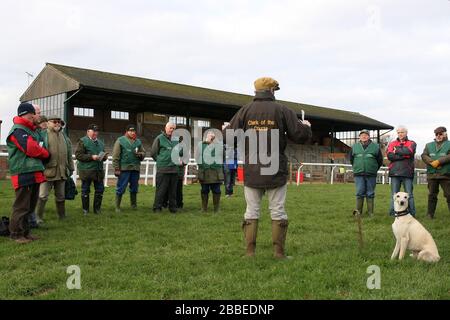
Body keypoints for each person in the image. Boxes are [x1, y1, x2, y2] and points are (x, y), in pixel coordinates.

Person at [225, 77, 312, 258]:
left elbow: (229, 138)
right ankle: (279, 253)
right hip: (275, 169)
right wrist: (307, 127)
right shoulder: (282, 110)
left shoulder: (245, 110)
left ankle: (250, 253)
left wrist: (226, 129)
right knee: (278, 210)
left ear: (256, 91)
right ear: (272, 91)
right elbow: (299, 135)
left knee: (251, 210)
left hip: (253, 169)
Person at [6, 102, 49, 243]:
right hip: (23, 172)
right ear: (28, 114)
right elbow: (31, 148)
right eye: (35, 114)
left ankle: (25, 232)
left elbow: (35, 147)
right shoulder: (19, 130)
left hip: (33, 171)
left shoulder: (30, 130)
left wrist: (40, 151)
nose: (37, 116)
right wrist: (45, 153)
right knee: (21, 206)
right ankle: (16, 234)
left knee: (30, 206)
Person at [34, 115, 75, 222]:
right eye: (54, 121)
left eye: (59, 122)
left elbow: (69, 154)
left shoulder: (65, 137)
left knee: (61, 196)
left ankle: (62, 216)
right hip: (46, 172)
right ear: (48, 123)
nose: (57, 123)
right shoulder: (42, 135)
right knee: (42, 196)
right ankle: (38, 217)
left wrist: (71, 168)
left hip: (62, 172)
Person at [75, 124, 108, 215]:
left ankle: (97, 209)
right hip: (87, 171)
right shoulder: (82, 141)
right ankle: (85, 210)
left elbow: (103, 154)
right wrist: (91, 157)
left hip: (98, 170)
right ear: (88, 131)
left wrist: (104, 157)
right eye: (93, 131)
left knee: (100, 190)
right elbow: (78, 155)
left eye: (97, 131)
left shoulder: (101, 143)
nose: (95, 133)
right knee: (85, 189)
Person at [112, 124, 145, 213]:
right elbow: (115, 156)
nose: (132, 132)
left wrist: (141, 154)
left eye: (133, 131)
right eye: (130, 131)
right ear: (126, 131)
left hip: (135, 168)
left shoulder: (138, 141)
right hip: (124, 168)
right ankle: (117, 206)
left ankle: (133, 205)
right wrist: (116, 168)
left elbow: (143, 152)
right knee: (121, 187)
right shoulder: (120, 140)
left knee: (134, 187)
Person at [350, 129, 383, 217]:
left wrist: (373, 168)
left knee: (370, 193)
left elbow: (380, 161)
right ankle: (358, 212)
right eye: (362, 135)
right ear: (359, 137)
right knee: (359, 192)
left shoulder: (376, 146)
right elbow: (351, 160)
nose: (364, 136)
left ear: (369, 136)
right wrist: (357, 167)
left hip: (371, 174)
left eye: (366, 135)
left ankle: (370, 213)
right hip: (359, 174)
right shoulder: (354, 146)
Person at [150, 122, 182, 213]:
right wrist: (161, 161)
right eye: (170, 128)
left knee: (173, 191)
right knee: (161, 190)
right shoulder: (159, 138)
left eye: (174, 128)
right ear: (165, 128)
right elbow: (153, 153)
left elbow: (181, 152)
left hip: (174, 170)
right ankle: (157, 208)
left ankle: (173, 208)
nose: (172, 130)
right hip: (163, 169)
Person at [387, 126, 417, 216]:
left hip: (407, 172)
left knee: (409, 195)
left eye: (402, 132)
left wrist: (397, 151)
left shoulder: (412, 143)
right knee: (394, 194)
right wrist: (403, 155)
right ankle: (393, 213)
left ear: (406, 133)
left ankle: (412, 213)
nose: (400, 134)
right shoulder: (392, 143)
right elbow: (390, 155)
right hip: (394, 172)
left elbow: (409, 151)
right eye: (399, 132)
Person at [421, 126, 450, 219]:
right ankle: (430, 215)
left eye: (440, 134)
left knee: (449, 195)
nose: (438, 136)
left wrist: (439, 161)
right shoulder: (428, 145)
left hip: (445, 175)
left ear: (445, 134)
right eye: (437, 134)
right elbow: (424, 155)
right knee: (432, 195)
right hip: (432, 174)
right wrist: (431, 162)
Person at [195, 130, 224, 212]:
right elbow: (197, 157)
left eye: (212, 136)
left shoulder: (219, 146)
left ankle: (217, 208)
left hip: (216, 172)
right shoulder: (200, 145)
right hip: (204, 171)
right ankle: (204, 208)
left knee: (217, 190)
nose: (211, 137)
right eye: (209, 135)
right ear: (206, 136)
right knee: (204, 190)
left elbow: (223, 157)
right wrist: (202, 165)